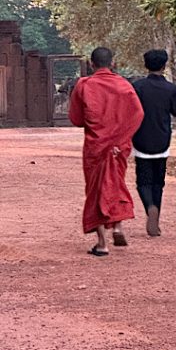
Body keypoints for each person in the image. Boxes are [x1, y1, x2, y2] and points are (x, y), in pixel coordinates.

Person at [68, 47, 144, 256]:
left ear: (92, 65)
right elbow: (137, 114)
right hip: (118, 148)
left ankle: (102, 243)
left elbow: (76, 119)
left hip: (96, 146)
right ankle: (118, 226)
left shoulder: (84, 85)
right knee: (115, 184)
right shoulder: (124, 86)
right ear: (112, 63)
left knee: (96, 190)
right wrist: (121, 138)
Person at [131, 49, 176, 237]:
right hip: (162, 139)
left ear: (146, 65)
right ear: (164, 65)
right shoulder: (171, 89)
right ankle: (156, 218)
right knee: (158, 183)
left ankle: (149, 208)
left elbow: (131, 111)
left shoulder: (137, 87)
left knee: (143, 181)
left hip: (141, 139)